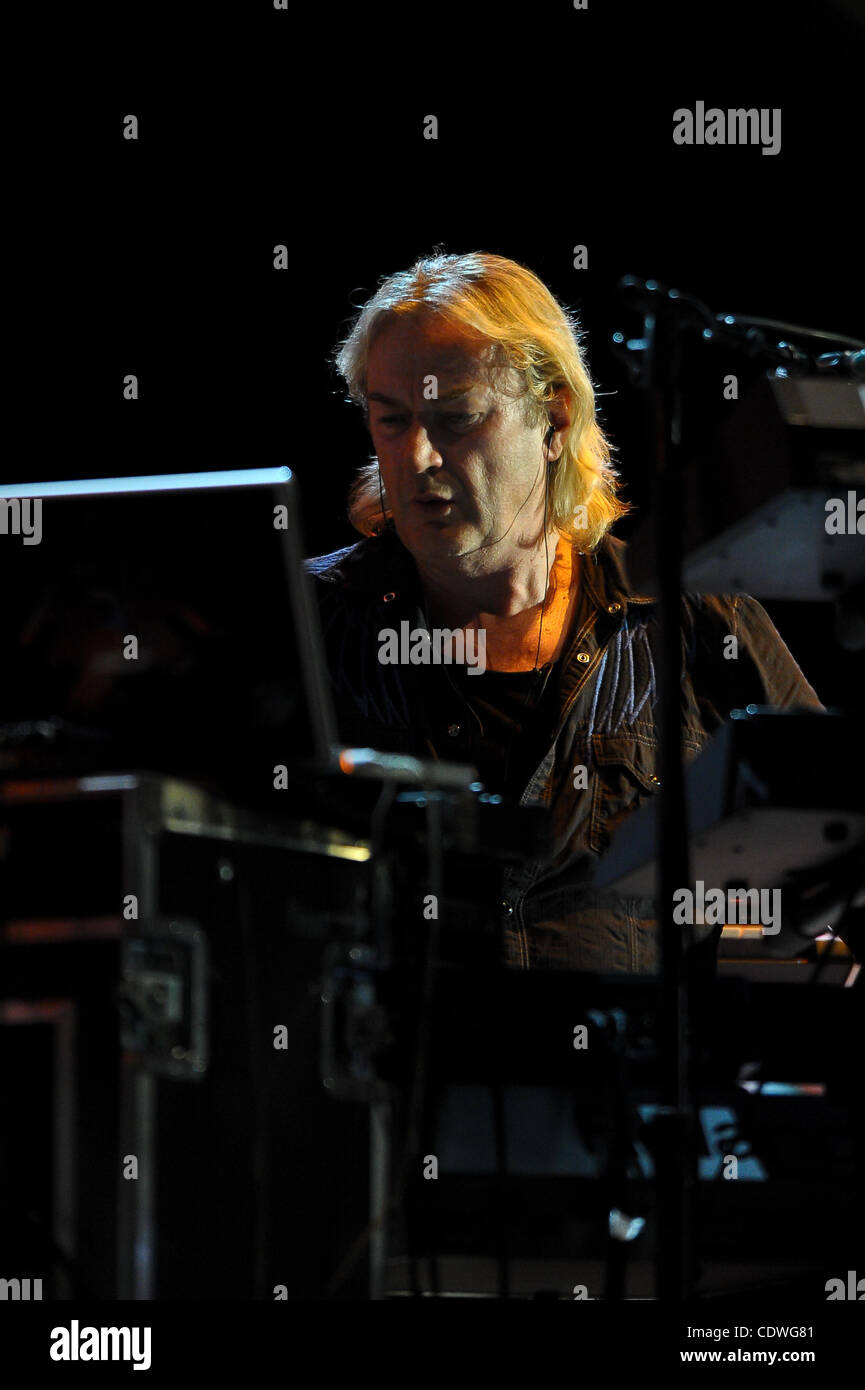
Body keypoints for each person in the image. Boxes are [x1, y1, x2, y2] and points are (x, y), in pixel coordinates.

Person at [305, 251, 822, 973]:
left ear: (554, 417)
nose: (416, 456)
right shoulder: (310, 621)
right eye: (391, 420)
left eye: (455, 419)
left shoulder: (692, 614)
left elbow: (822, 847)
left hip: (620, 1077)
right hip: (397, 1075)